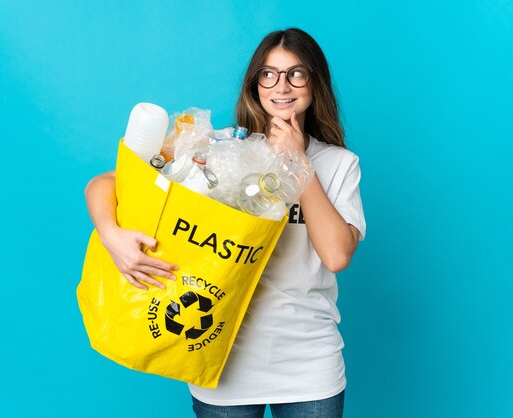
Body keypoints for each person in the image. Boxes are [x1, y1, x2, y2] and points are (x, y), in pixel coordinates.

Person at [84, 27, 366, 418]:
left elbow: (336, 255)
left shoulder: (338, 164)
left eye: (296, 74)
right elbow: (108, 181)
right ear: (255, 84)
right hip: (218, 356)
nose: (281, 86)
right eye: (268, 74)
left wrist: (298, 163)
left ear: (314, 84)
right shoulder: (219, 150)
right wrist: (110, 234)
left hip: (309, 365)